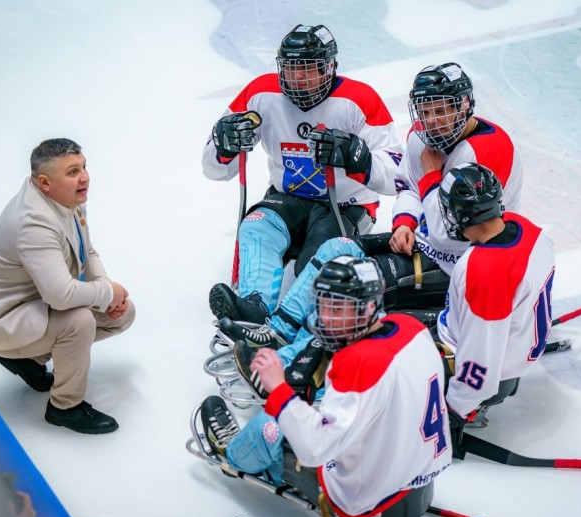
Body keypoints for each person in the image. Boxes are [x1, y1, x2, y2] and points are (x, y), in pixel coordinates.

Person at [218, 62, 524, 379]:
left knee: (350, 290)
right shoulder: (423, 137)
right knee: (336, 249)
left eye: (440, 111)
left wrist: (432, 177)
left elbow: (452, 233)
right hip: (430, 242)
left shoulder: (489, 149)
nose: (430, 121)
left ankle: (297, 367)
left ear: (463, 104)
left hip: (466, 262)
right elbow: (408, 186)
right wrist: (405, 222)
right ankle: (278, 330)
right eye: (424, 111)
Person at [199, 256, 452, 517]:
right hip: (420, 474)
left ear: (368, 306)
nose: (325, 317)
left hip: (365, 501)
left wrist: (279, 390)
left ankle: (231, 452)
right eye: (323, 304)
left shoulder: (356, 365)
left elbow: (314, 449)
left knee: (270, 425)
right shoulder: (412, 328)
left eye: (337, 308)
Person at [203, 24, 403, 326]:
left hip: (347, 206)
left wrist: (355, 155)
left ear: (330, 67)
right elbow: (214, 169)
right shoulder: (260, 94)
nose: (297, 79)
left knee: (320, 257)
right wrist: (224, 145)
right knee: (256, 229)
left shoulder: (359, 100)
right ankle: (253, 308)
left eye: (309, 69)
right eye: (291, 68)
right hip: (286, 199)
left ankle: (287, 325)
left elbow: (398, 174)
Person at [0, 138, 135, 435]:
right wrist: (107, 293)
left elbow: (88, 252)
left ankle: (28, 359)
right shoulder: (33, 222)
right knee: (78, 320)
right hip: (1, 320)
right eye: (72, 172)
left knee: (121, 313)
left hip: (35, 304)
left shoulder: (67, 198)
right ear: (45, 182)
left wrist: (105, 289)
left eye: (83, 167)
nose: (84, 177)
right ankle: (65, 407)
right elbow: (60, 295)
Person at [434, 162, 555, 458]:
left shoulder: (483, 272)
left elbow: (480, 369)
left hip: (491, 377)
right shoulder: (528, 229)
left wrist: (453, 413)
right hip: (517, 350)